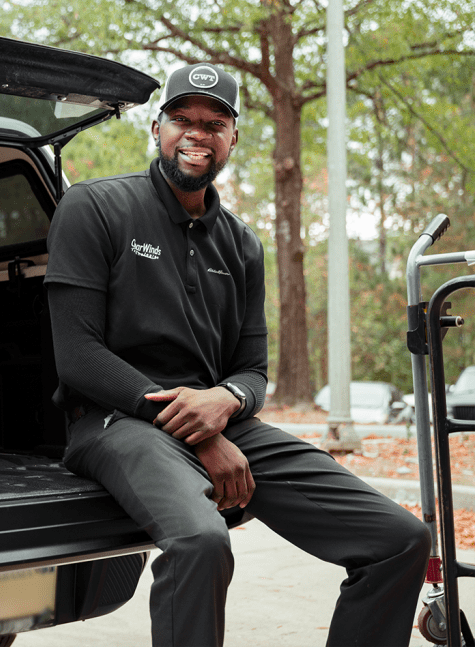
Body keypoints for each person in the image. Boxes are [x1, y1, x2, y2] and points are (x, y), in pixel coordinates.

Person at [45, 62, 431, 647]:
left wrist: (225, 402)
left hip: (220, 420)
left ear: (232, 137)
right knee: (201, 542)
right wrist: (200, 431)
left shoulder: (242, 243)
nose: (196, 134)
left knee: (399, 538)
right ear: (157, 128)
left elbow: (253, 371)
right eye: (182, 119)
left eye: (214, 122)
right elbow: (78, 357)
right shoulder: (96, 208)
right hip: (113, 418)